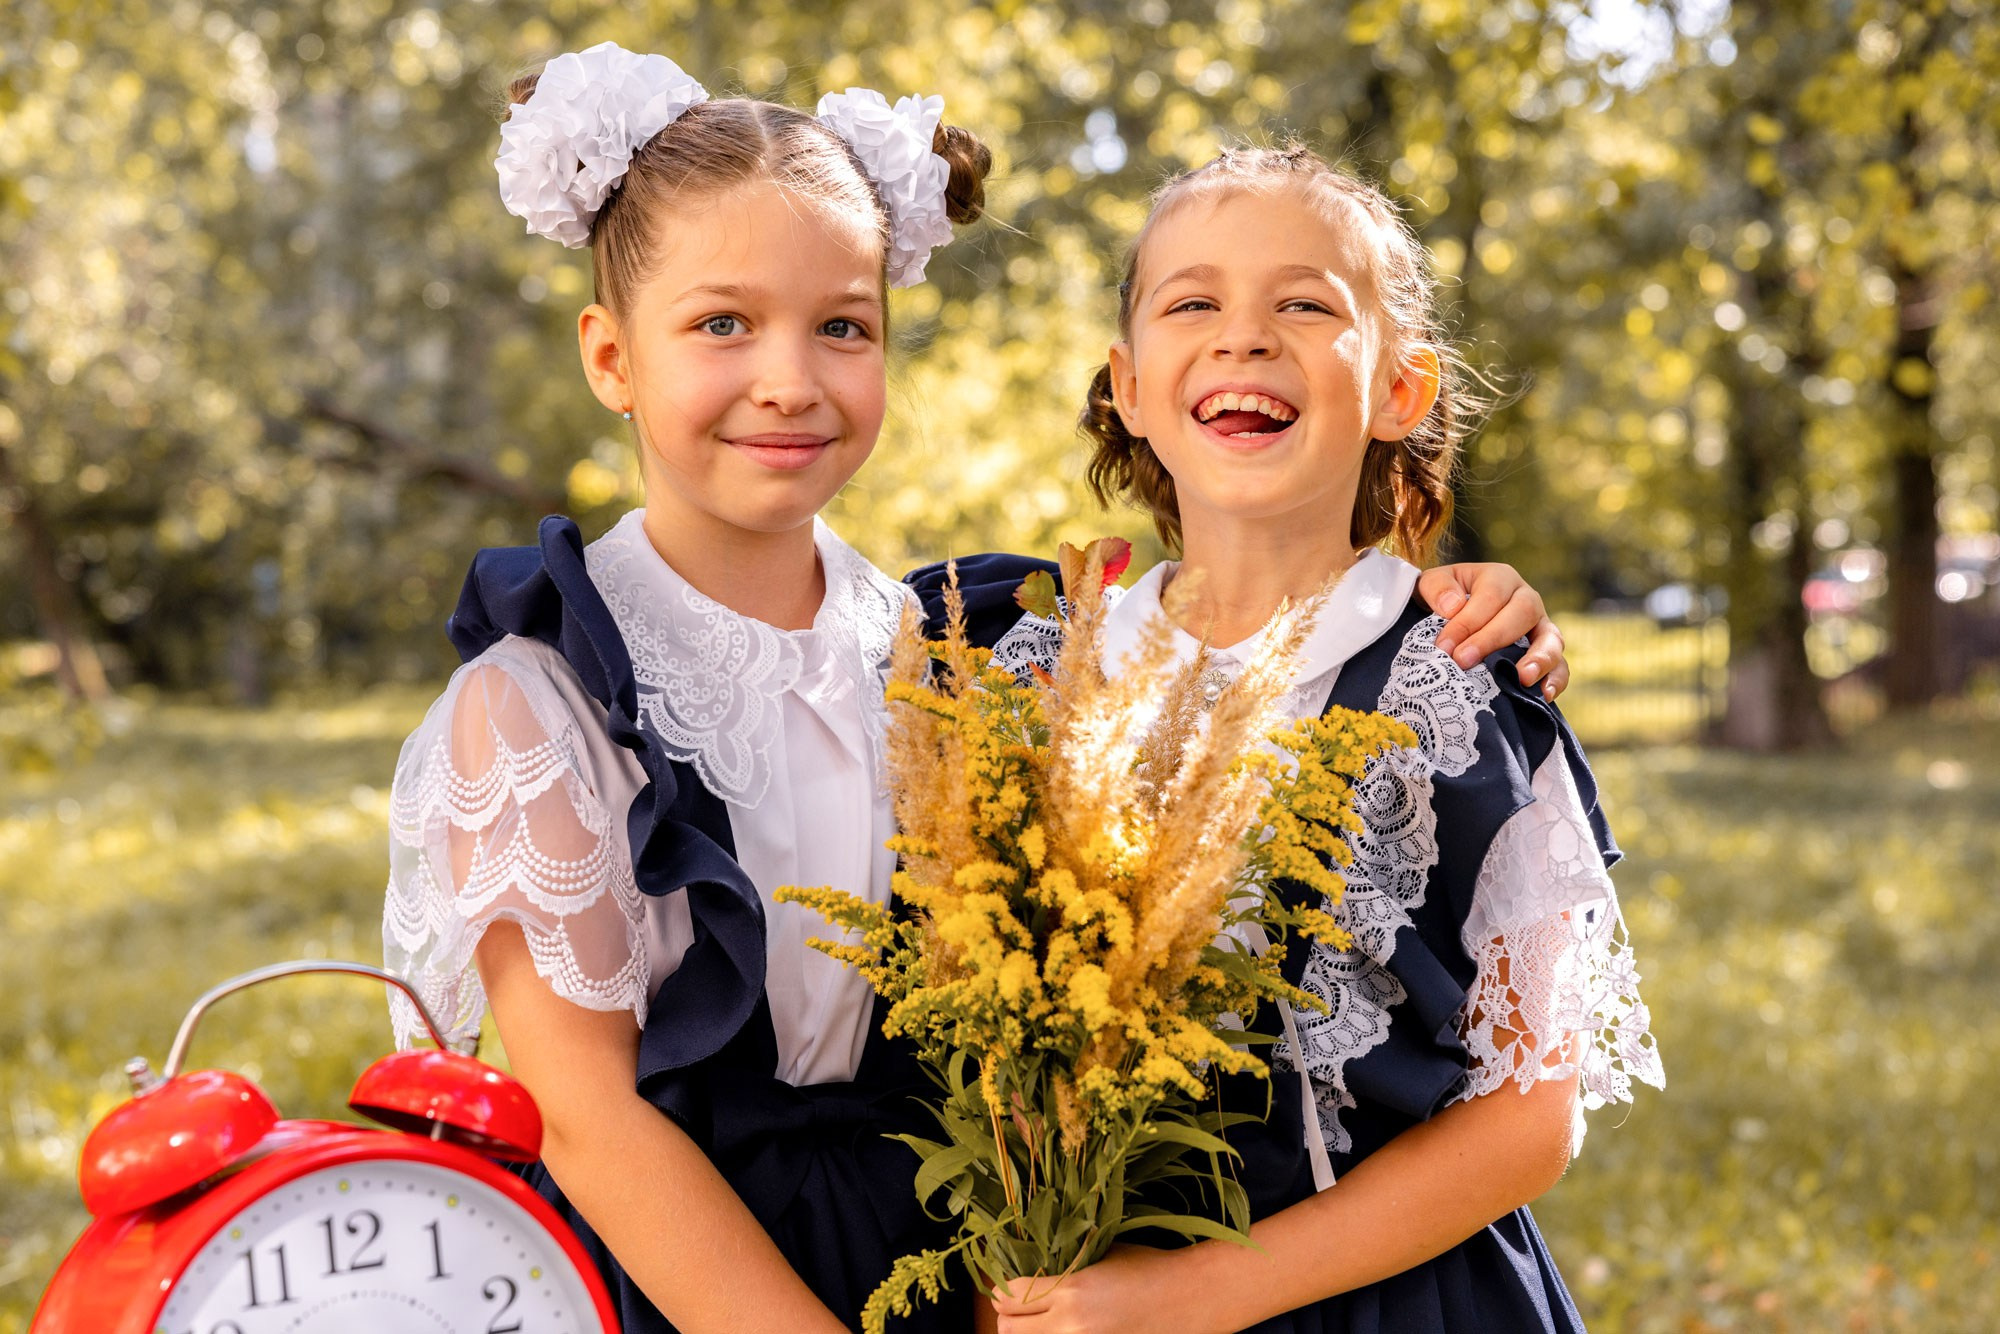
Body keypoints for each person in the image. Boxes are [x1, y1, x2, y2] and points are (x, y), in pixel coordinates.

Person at [383, 49, 1577, 1332]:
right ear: (611, 358)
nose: (787, 378)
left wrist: (1455, 598)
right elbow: (586, 1114)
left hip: (973, 1269)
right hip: (696, 1283)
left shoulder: (943, 647)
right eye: (721, 323)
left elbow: (1229, 632)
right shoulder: (540, 701)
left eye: (841, 325)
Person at [934, 145, 1665, 1333]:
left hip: (1380, 1302)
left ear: (1399, 391)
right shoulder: (1021, 668)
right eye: (1192, 302)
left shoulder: (1457, 684)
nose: (1242, 337)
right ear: (1125, 382)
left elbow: (1531, 1119)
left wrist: (1191, 1297)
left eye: (1304, 303)